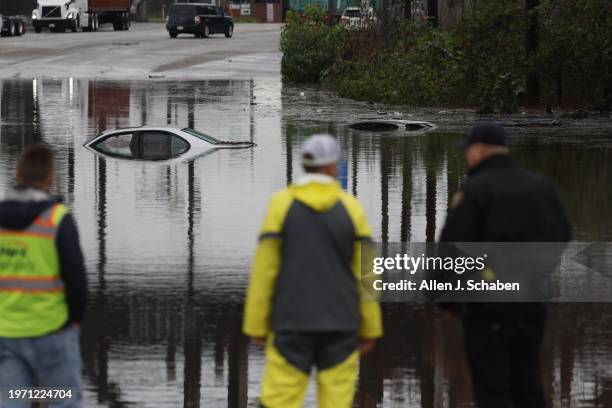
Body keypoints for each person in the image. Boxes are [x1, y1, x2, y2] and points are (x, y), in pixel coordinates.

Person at [243, 134, 382, 408]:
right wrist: (370, 327)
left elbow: (265, 270)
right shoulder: (351, 208)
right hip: (341, 326)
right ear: (333, 166)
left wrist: (256, 324)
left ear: (304, 165)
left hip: (291, 323)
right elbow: (367, 274)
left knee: (279, 400)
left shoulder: (281, 205)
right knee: (336, 401)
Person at [438, 122, 571, 408]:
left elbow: (451, 251)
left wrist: (448, 301)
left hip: (488, 308)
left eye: (468, 151)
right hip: (532, 304)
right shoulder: (541, 187)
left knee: (493, 390)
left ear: (480, 151)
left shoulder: (474, 191)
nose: (467, 157)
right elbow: (564, 234)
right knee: (528, 383)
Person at [0, 144, 87, 407]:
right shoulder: (57, 219)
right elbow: (76, 280)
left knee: (14, 400)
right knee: (64, 399)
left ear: (17, 174)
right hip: (52, 331)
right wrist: (75, 320)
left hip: (7, 333)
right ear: (51, 178)